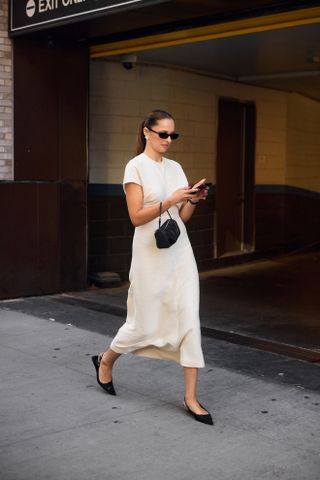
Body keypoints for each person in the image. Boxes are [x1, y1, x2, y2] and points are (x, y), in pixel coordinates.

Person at [92, 109, 213, 425]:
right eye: (163, 134)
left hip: (179, 252)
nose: (169, 140)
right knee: (143, 322)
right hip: (149, 254)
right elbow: (135, 217)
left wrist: (193, 200)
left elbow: (180, 219)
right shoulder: (136, 167)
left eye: (174, 135)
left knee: (188, 317)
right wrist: (171, 199)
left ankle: (190, 398)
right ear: (146, 132)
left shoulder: (175, 167)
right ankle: (106, 360)